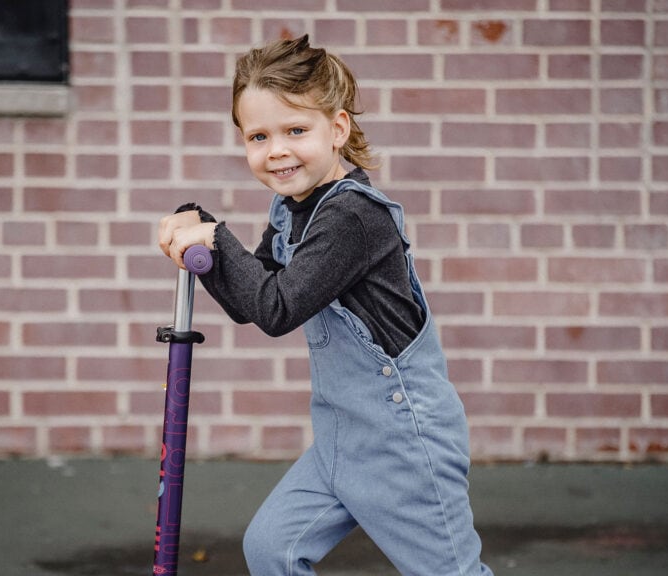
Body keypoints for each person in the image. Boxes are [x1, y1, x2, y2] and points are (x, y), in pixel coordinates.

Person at [158, 34, 492, 576]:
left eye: (296, 130)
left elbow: (276, 308)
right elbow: (253, 294)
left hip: (401, 442)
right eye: (258, 136)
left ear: (337, 130)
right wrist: (200, 228)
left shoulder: (353, 218)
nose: (277, 150)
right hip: (341, 433)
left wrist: (215, 238)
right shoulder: (292, 207)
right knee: (273, 550)